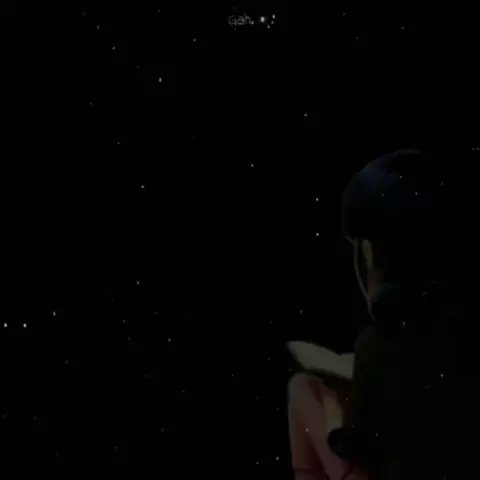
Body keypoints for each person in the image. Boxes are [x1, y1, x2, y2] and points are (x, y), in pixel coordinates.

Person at [287, 148, 480, 479]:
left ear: (371, 253)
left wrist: (335, 416)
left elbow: (360, 446)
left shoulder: (380, 346)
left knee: (303, 389)